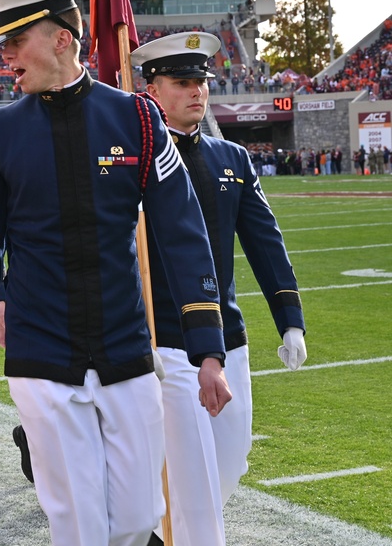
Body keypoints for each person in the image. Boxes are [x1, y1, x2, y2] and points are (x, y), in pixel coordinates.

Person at [0, 0, 231, 546]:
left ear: (63, 39)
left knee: (136, 517)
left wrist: (208, 349)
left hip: (125, 349)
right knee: (79, 525)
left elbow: (183, 233)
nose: (3, 56)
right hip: (41, 357)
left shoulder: (136, 116)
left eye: (14, 41)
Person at [131, 32, 307, 546]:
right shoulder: (132, 163)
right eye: (182, 83)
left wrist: (290, 320)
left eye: (201, 82)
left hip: (228, 337)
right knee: (197, 485)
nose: (196, 93)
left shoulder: (232, 157)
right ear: (153, 89)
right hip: (165, 339)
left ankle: (163, 533)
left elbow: (265, 243)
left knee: (230, 464)